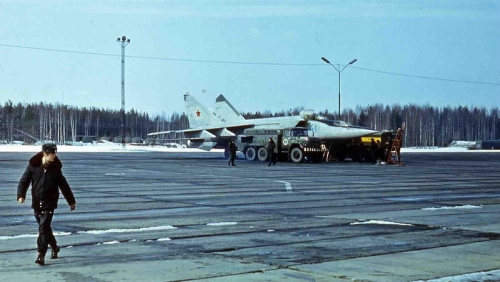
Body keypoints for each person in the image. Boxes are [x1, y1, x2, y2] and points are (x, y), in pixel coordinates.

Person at [17, 143, 76, 266]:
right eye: (52, 154)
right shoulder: (33, 166)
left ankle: (40, 254)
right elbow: (24, 181)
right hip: (36, 202)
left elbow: (64, 185)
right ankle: (55, 247)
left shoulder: (56, 169)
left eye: (55, 153)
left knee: (43, 228)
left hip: (50, 203)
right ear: (45, 154)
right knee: (45, 229)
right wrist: (21, 195)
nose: (54, 156)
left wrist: (71, 201)